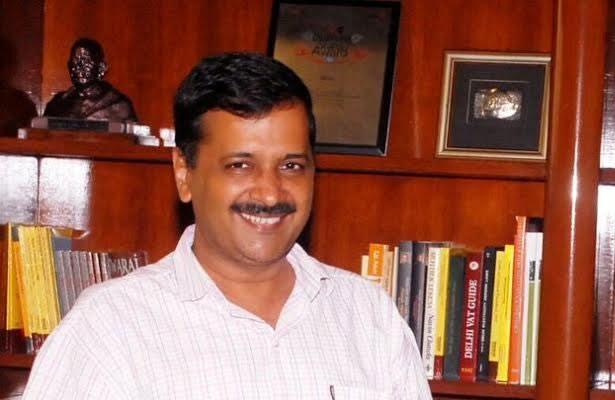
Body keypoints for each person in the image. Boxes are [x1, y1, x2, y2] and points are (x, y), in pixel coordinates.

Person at [22, 52, 431, 399]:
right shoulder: (107, 330)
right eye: (240, 165)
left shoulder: (368, 316)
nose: (270, 193)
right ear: (184, 173)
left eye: (291, 166)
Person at [43, 38, 137, 122]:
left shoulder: (118, 105)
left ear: (101, 68)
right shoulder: (57, 104)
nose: (79, 67)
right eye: (75, 61)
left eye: (86, 61)